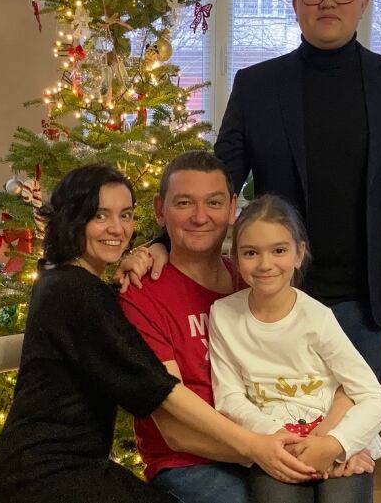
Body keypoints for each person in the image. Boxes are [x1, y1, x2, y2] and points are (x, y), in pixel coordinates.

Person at [129, 0, 381, 381]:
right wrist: (161, 242)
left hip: (364, 298)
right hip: (272, 288)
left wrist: (377, 218)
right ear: (296, 3)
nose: (327, 1)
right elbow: (217, 185)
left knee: (351, 429)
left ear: (362, 2)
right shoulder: (257, 86)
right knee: (276, 417)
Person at [0, 164, 311, 503]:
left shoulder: (70, 282)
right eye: (100, 215)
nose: (117, 228)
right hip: (42, 475)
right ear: (74, 217)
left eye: (125, 215)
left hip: (69, 465)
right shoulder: (76, 291)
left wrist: (153, 249)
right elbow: (159, 388)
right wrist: (254, 446)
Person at [119, 151, 366, 503]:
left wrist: (340, 441)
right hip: (193, 461)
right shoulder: (142, 294)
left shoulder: (256, 275)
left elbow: (331, 374)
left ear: (233, 208)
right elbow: (175, 430)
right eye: (184, 202)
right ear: (160, 210)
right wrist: (266, 452)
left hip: (283, 438)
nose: (200, 216)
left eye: (214, 202)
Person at [209, 194, 381, 503]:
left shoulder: (317, 318)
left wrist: (336, 444)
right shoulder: (223, 314)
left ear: (298, 254)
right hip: (272, 444)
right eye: (251, 252)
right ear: (236, 259)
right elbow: (229, 397)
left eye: (278, 250)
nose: (265, 264)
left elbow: (374, 397)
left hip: (332, 434)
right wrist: (283, 441)